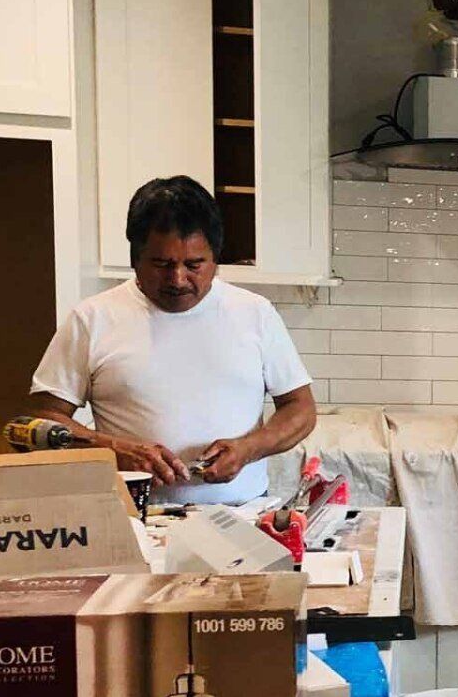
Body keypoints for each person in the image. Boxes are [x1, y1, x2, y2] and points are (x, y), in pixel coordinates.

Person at [27, 175, 316, 505]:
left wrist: (248, 449)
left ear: (216, 260)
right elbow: (40, 421)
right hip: (133, 516)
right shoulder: (91, 319)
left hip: (243, 513)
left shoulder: (255, 313)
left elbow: (301, 408)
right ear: (135, 259)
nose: (178, 279)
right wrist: (112, 449)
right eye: (161, 264)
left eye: (194, 264)